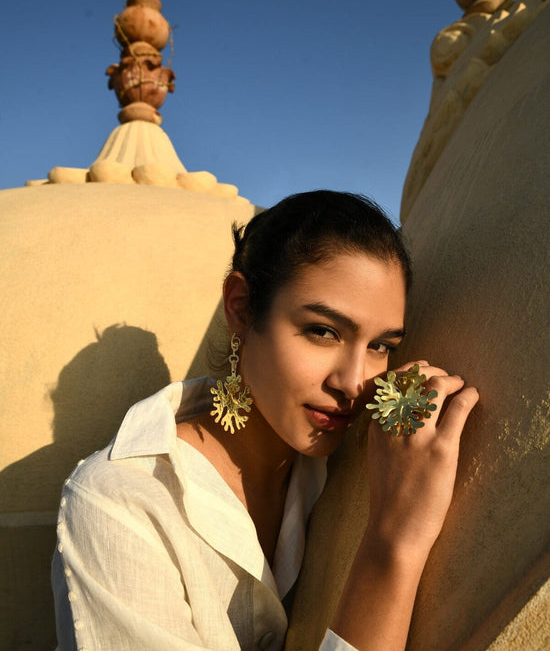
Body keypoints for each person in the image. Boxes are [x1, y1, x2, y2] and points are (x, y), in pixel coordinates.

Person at [51, 190, 479, 650]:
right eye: (323, 331)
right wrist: (394, 543)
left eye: (381, 346)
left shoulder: (349, 469)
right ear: (241, 307)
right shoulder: (121, 504)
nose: (354, 383)